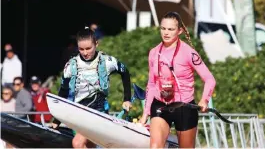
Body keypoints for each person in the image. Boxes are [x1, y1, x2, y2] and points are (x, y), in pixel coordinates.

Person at [139, 12, 216, 148]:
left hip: (184, 107)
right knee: (155, 147)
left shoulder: (189, 52)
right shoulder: (154, 52)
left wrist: (204, 99)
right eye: (163, 28)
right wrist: (145, 113)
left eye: (171, 29)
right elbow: (151, 84)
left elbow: (209, 79)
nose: (166, 33)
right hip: (160, 105)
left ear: (179, 30)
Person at [51, 27, 132, 148]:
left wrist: (127, 99)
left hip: (99, 111)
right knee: (88, 145)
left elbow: (125, 72)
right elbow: (63, 92)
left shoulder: (107, 61)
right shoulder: (71, 65)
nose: (85, 52)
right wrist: (56, 120)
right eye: (81, 49)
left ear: (96, 44)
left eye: (88, 48)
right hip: (78, 112)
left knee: (77, 143)